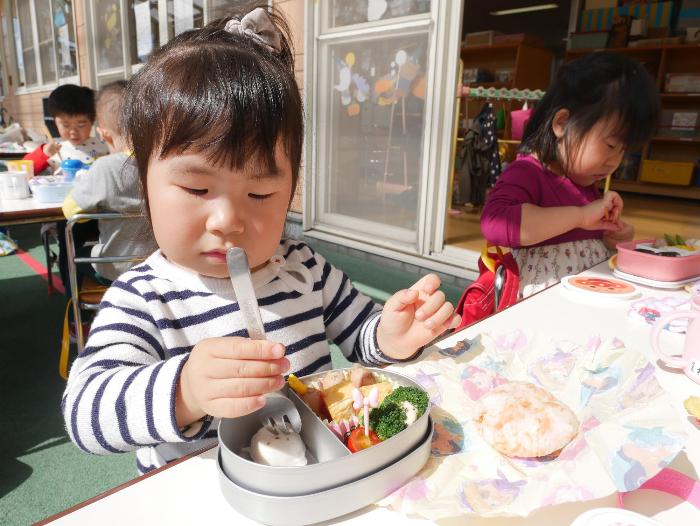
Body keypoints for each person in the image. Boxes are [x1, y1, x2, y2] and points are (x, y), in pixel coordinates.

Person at [62, 6, 459, 474]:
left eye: (260, 192)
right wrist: (184, 390)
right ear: (143, 181)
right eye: (196, 188)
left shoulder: (303, 268)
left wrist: (390, 337)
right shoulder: (145, 296)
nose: (229, 219)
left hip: (312, 481)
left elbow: (359, 337)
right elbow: (84, 412)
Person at [480, 53, 659, 298]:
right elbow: (495, 222)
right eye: (609, 146)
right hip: (541, 306)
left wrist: (614, 237)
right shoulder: (528, 172)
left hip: (586, 294)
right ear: (562, 123)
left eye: (623, 151)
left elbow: (584, 239)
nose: (614, 161)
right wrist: (580, 216)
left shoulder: (585, 184)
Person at [61, 81, 157, 284]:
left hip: (116, 269)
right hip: (160, 266)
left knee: (75, 252)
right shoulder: (161, 163)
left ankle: (78, 308)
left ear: (104, 134)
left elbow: (70, 211)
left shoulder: (105, 167)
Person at [23, 84, 108, 174]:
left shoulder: (105, 147)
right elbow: (22, 171)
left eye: (81, 125)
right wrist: (43, 153)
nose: (73, 132)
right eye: (66, 125)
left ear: (92, 121)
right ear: (55, 122)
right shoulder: (54, 149)